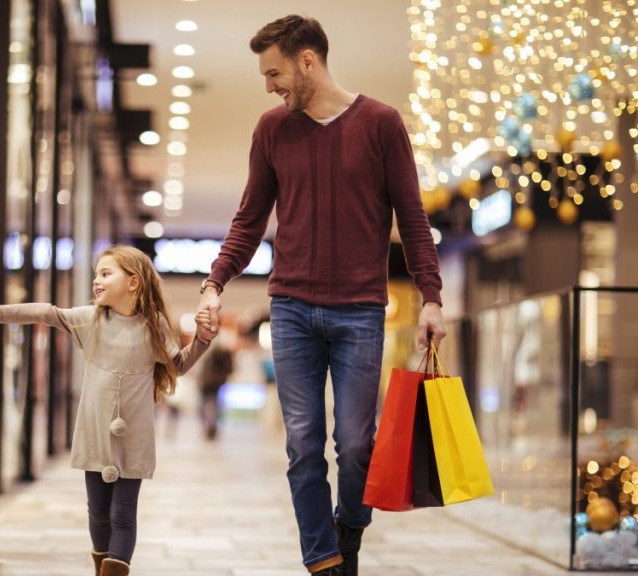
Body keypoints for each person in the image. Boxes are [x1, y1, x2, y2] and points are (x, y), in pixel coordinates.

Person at [195, 15, 446, 576]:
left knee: (356, 444)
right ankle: (324, 561)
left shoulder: (382, 123)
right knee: (303, 445)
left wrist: (430, 297)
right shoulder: (271, 130)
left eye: (275, 72)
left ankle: (349, 531)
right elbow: (248, 221)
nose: (270, 85)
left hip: (360, 310)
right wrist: (215, 283)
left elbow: (413, 216)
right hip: (291, 309)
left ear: (308, 60)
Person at [0, 246, 216, 576]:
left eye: (106, 274)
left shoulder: (155, 327)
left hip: (133, 440)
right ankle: (100, 569)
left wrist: (203, 341)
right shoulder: (90, 320)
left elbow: (177, 365)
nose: (97, 280)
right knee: (98, 514)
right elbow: (46, 313)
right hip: (94, 435)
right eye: (96, 274)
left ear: (133, 282)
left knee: (123, 515)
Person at [197, 343, 233, 441]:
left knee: (207, 406)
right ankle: (211, 428)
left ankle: (209, 428)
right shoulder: (222, 355)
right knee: (213, 406)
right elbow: (230, 370)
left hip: (207, 384)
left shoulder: (210, 355)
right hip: (215, 384)